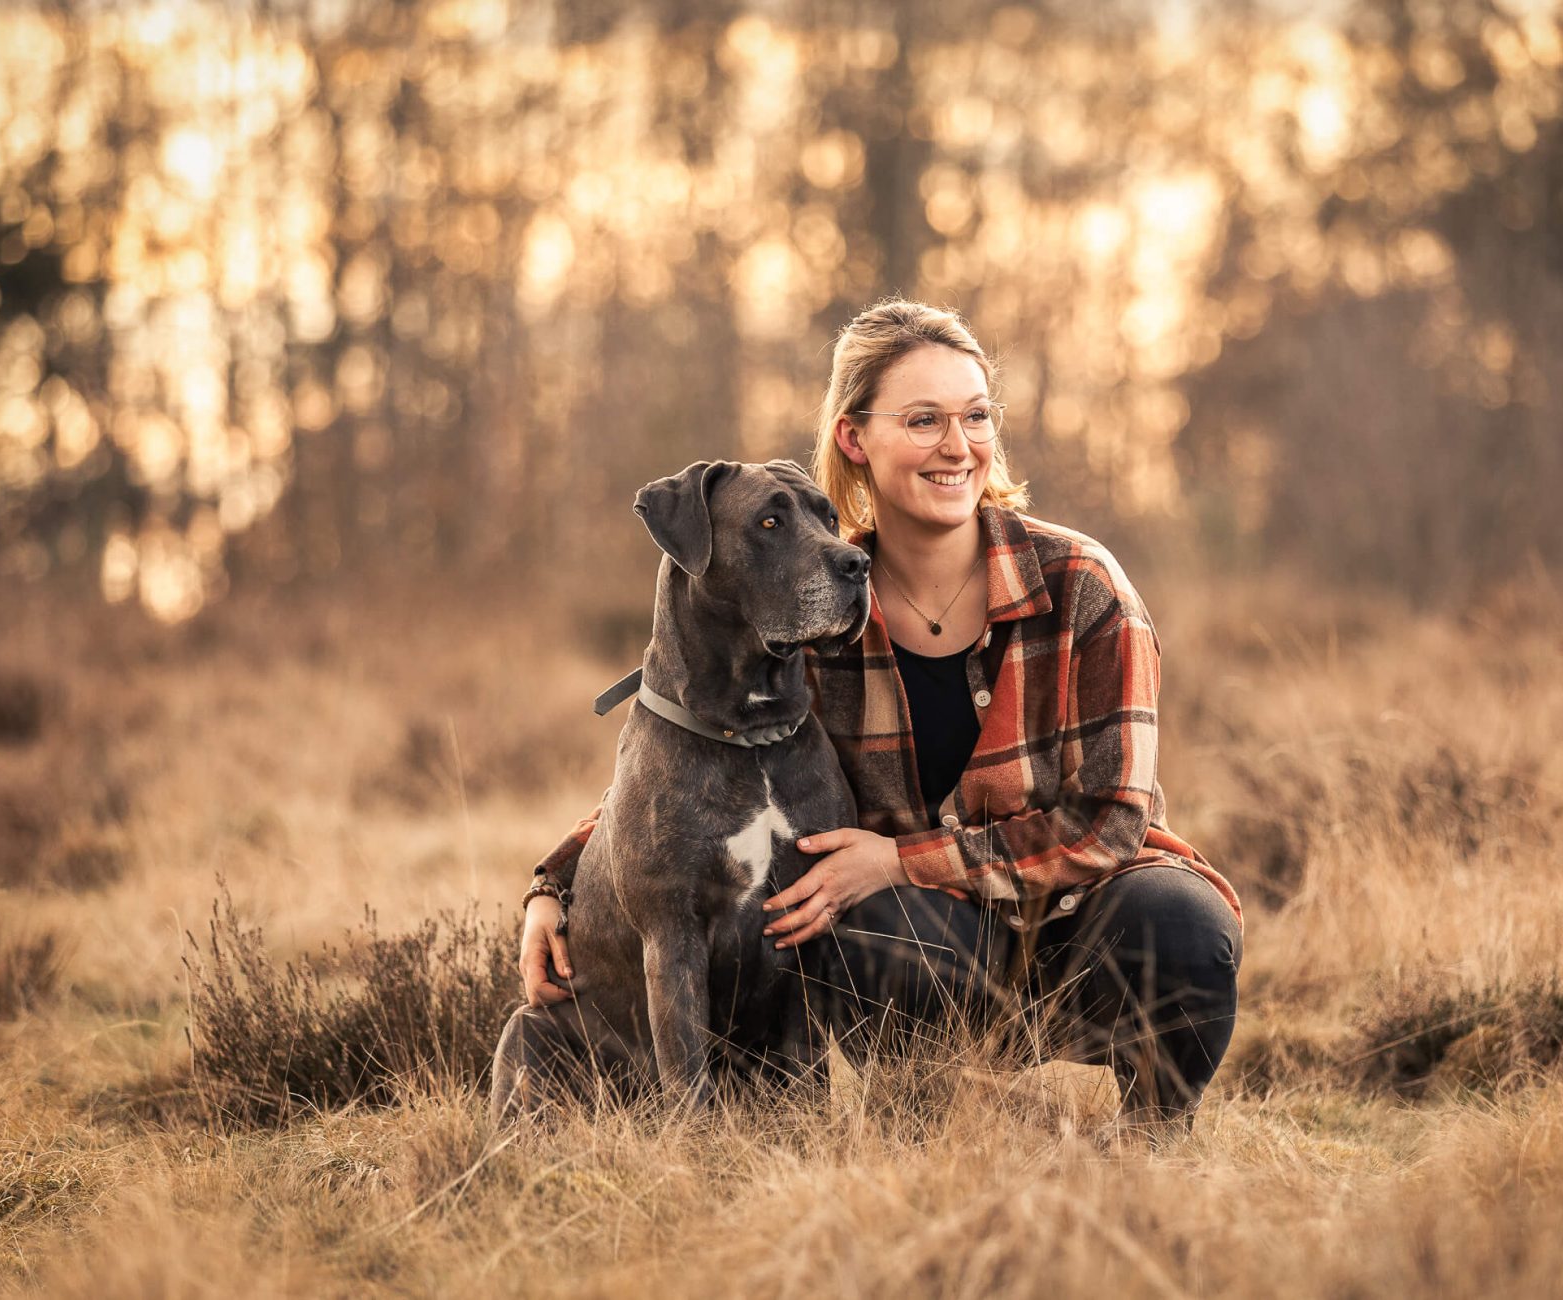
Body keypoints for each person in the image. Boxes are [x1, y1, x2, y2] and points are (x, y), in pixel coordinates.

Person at [517, 300, 1241, 1128]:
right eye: (924, 419)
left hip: (1084, 918)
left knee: (1184, 928)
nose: (957, 445)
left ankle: (1154, 1138)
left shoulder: (1083, 586)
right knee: (865, 926)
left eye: (976, 416)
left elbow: (1112, 823)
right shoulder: (808, 604)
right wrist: (556, 883)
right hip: (934, 944)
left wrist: (904, 861)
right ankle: (936, 1124)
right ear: (855, 439)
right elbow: (692, 770)